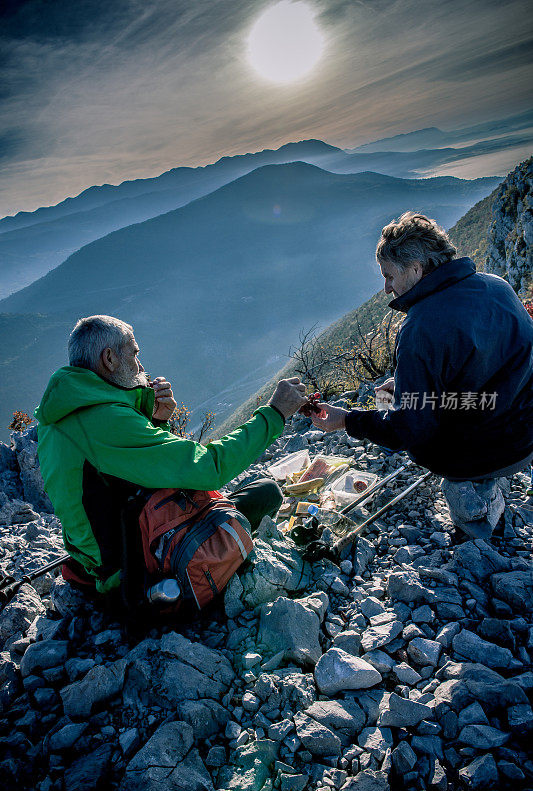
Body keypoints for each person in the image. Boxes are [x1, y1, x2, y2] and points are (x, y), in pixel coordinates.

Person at [35, 315, 307, 593]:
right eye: (134, 353)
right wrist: (275, 414)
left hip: (103, 559)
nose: (140, 365)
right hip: (138, 573)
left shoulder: (62, 414)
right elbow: (210, 468)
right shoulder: (103, 420)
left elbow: (121, 475)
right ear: (109, 359)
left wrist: (156, 422)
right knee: (266, 493)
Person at [311, 212, 533, 538]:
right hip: (524, 433)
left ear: (416, 269)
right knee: (391, 394)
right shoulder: (496, 286)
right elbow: (486, 370)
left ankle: (474, 508)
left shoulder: (419, 327)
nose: (386, 288)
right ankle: (485, 488)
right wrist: (407, 388)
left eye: (388, 276)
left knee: (392, 409)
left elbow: (410, 431)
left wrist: (347, 420)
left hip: (488, 451)